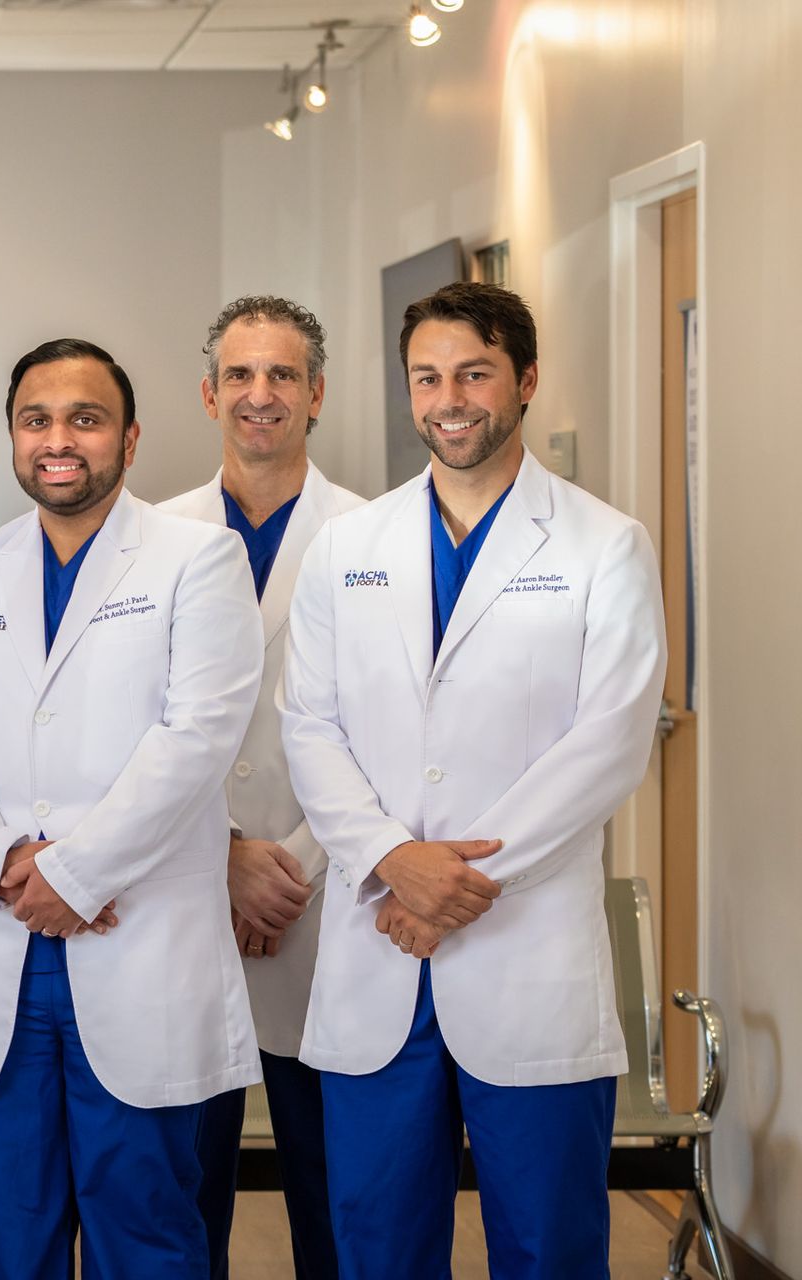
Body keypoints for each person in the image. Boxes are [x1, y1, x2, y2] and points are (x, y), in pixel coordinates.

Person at [280, 282, 668, 1277]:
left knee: (549, 1248)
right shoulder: (347, 548)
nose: (449, 400)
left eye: (474, 374)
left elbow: (609, 742)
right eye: (427, 378)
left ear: (526, 380)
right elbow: (309, 725)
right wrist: (392, 859)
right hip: (379, 953)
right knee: (377, 1246)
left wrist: (449, 885)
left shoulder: (604, 545)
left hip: (524, 948)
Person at [0, 337, 264, 1278]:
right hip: (0, 959)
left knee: (147, 1242)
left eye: (86, 419)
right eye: (37, 420)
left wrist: (74, 872)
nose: (58, 440)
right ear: (13, 438)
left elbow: (196, 740)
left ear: (130, 439)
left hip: (139, 947)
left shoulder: (200, 560)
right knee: (6, 1244)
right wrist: (8, 865)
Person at [159, 296, 359, 1280]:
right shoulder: (150, 537)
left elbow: (388, 733)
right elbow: (136, 727)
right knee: (181, 1193)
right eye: (239, 374)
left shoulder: (371, 536)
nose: (260, 393)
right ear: (209, 395)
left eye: (282, 374)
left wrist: (290, 869)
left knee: (334, 1192)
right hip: (188, 895)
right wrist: (224, 856)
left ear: (316, 394)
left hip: (321, 901)